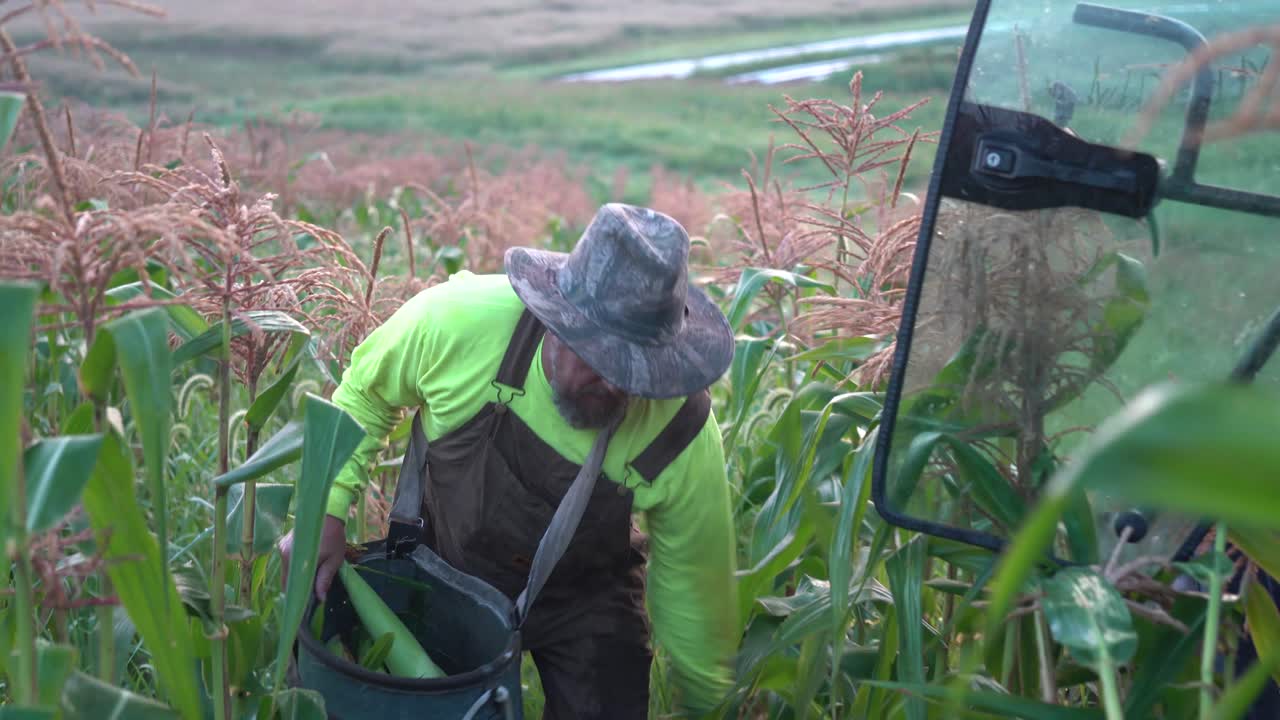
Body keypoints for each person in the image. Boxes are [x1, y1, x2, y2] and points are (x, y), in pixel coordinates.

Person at [278, 203, 740, 719]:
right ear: (555, 318)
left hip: (585, 598)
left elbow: (694, 590)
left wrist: (713, 703)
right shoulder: (457, 322)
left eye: (640, 370)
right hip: (444, 562)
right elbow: (364, 395)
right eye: (600, 357)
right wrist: (327, 508)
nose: (615, 382)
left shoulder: (682, 431)